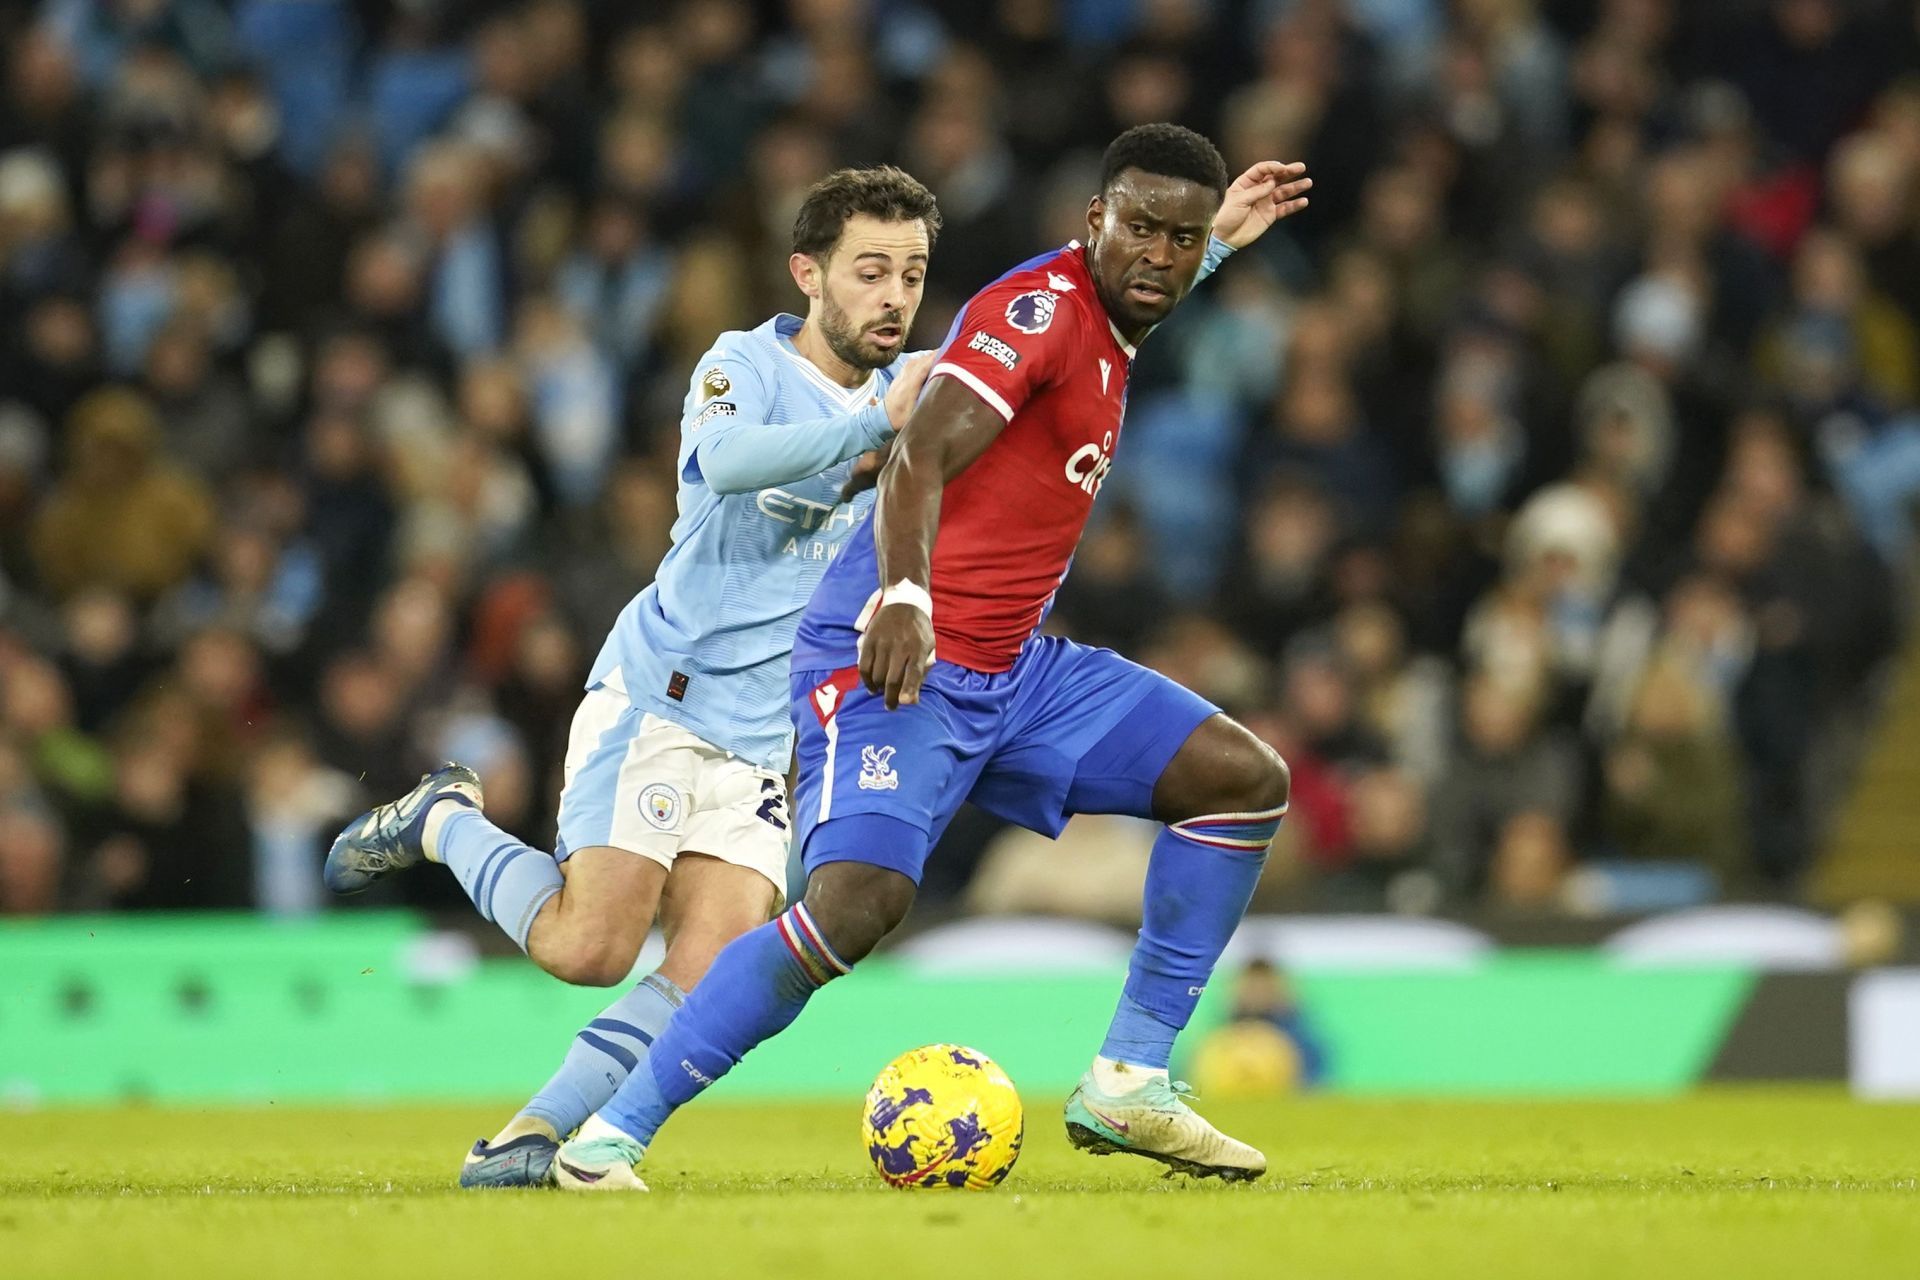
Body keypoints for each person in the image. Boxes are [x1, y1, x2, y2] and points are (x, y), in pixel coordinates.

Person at [552, 124, 1313, 1191]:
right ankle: (609, 1135)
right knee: (857, 902)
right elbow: (917, 454)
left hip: (1016, 668)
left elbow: (1153, 280)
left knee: (1241, 780)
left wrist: (1219, 240)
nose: (1162, 256)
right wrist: (902, 595)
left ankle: (1129, 1078)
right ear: (1092, 220)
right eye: (1140, 228)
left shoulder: (1118, 305)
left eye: (1182, 240)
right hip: (891, 653)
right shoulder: (1037, 312)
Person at [320, 166, 942, 1187]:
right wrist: (874, 428)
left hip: (762, 735)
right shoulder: (742, 363)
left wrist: (1200, 248)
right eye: (870, 270)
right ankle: (443, 820)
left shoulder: (918, 379)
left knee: (705, 977)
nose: (894, 296)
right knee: (588, 949)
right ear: (808, 272)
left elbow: (1054, 338)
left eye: (912, 274)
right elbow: (731, 459)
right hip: (663, 695)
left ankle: (529, 1134)